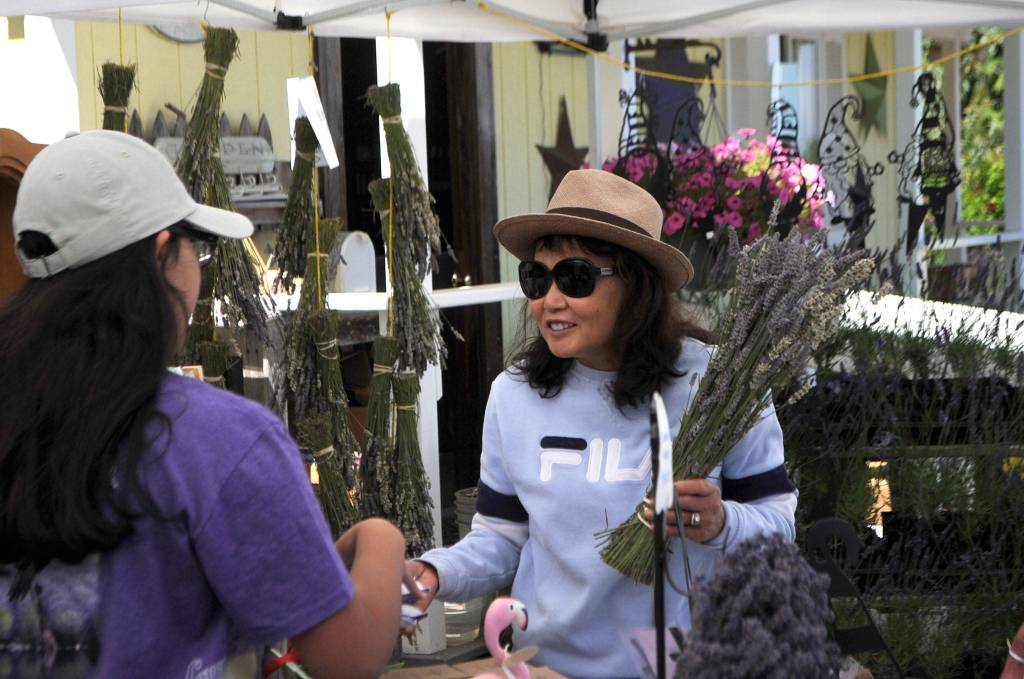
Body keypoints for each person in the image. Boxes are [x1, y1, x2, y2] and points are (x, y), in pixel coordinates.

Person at [0, 130, 411, 679]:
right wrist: (383, 538)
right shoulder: (220, 439)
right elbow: (347, 658)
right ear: (162, 251)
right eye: (198, 248)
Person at [407, 169, 798, 678]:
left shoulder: (721, 385)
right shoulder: (514, 396)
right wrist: (434, 572)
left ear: (636, 286)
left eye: (575, 277)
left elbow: (780, 527)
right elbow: (502, 540)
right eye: (536, 277)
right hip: (545, 669)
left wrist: (723, 523)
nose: (550, 299)